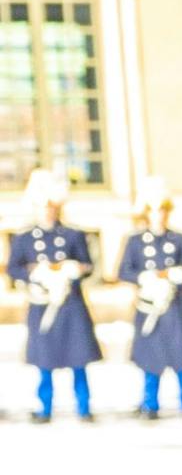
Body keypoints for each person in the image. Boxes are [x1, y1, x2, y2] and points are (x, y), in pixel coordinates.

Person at [10, 168, 98, 422]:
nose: (48, 211)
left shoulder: (73, 235)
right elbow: (14, 268)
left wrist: (72, 269)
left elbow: (88, 265)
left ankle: (84, 407)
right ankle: (44, 408)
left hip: (70, 306)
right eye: (43, 206)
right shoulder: (24, 238)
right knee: (44, 361)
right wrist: (36, 275)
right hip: (42, 304)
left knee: (78, 359)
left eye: (51, 206)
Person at [116, 176, 182, 418]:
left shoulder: (179, 239)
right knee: (150, 358)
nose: (159, 216)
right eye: (154, 211)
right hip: (149, 306)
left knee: (181, 356)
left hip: (175, 307)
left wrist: (179, 274)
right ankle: (149, 403)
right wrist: (145, 278)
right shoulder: (134, 241)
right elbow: (124, 270)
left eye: (163, 211)